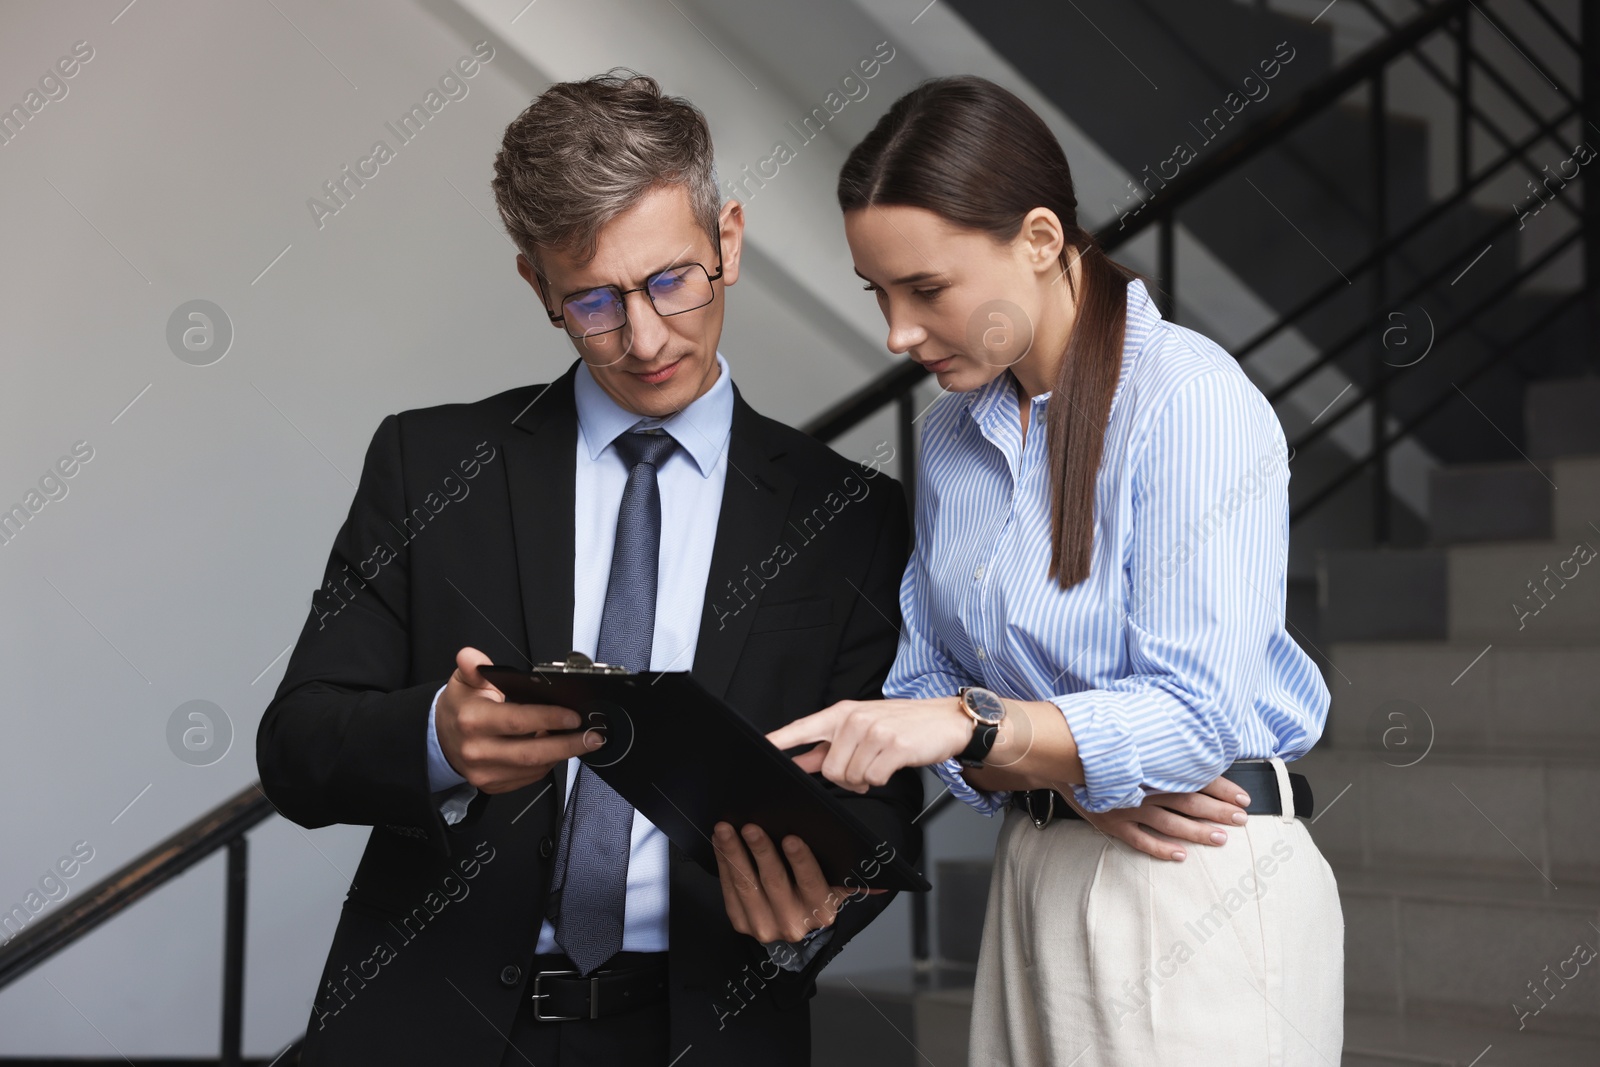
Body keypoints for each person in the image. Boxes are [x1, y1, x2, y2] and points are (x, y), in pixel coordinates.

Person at [255, 71, 931, 1067]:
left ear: (729, 241)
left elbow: (878, 806)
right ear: (537, 286)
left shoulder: (852, 515)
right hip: (429, 1030)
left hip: (706, 1028)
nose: (647, 336)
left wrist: (822, 902)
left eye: (671, 280)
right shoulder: (429, 464)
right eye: (594, 300)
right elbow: (297, 746)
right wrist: (436, 738)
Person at [768, 75, 1344, 1066]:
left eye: (927, 290)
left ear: (1040, 239)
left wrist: (989, 725)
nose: (897, 335)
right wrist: (1053, 762)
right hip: (1037, 867)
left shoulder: (1189, 402)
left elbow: (1196, 712)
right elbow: (919, 680)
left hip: (1193, 875)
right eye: (880, 293)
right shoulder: (951, 433)